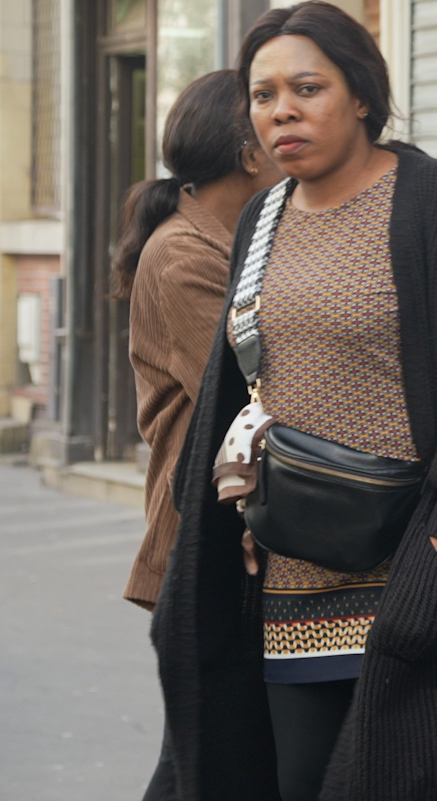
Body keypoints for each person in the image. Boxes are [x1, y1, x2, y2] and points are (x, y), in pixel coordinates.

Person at [150, 1, 437, 801]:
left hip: (419, 564)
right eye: (263, 96)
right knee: (297, 781)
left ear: (361, 95)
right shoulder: (262, 218)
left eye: (306, 88)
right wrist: (234, 515)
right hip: (294, 574)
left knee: (404, 780)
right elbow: (243, 385)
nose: (281, 112)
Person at [116, 70, 285, 611]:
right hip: (208, 533)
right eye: (274, 119)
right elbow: (253, 393)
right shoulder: (182, 257)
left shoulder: (241, 241)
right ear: (251, 156)